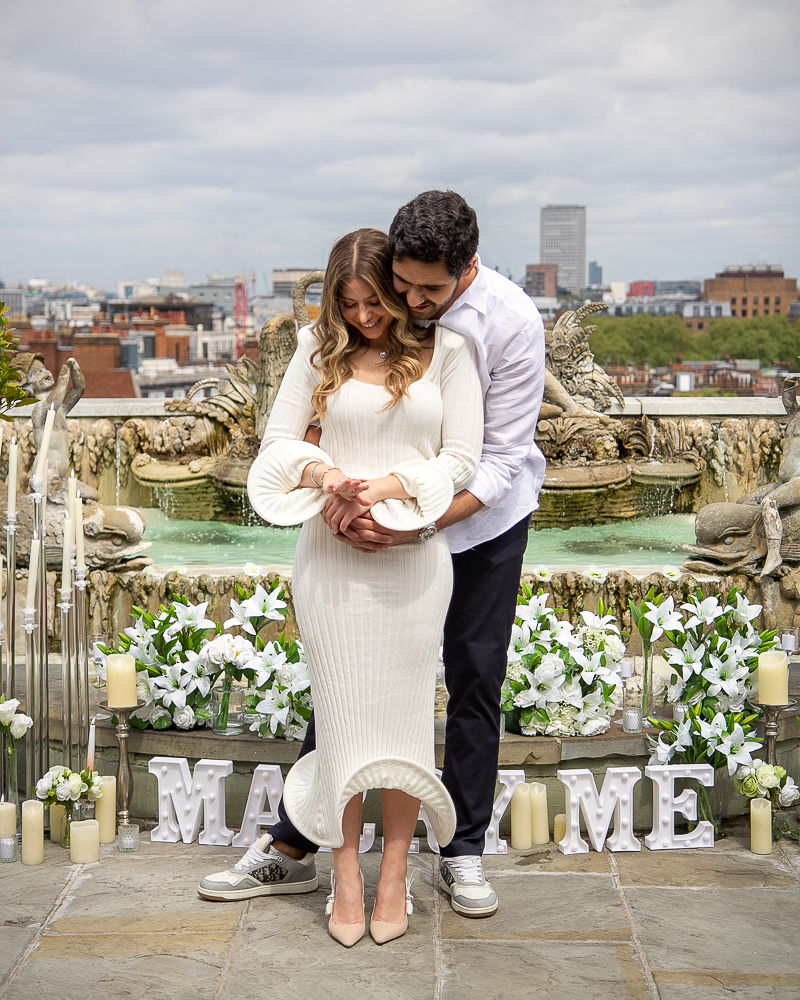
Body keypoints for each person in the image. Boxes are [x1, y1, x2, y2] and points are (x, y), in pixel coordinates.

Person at [199, 190, 545, 921]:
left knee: (475, 677)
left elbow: (494, 462)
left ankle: (462, 853)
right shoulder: (361, 322)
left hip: (477, 524)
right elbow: (312, 426)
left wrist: (412, 524)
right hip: (361, 534)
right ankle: (295, 848)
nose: (410, 303)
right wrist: (329, 481)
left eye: (429, 290)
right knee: (350, 687)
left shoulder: (507, 324)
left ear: (467, 269)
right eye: (402, 285)